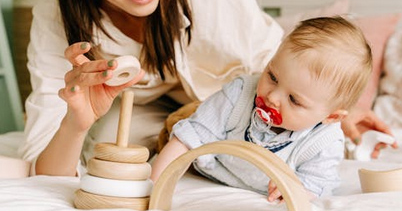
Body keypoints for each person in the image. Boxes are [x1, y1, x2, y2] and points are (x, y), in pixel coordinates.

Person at [19, 0, 394, 177]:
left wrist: (327, 113)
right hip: (144, 117)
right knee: (106, 150)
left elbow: (274, 65)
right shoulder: (58, 10)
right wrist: (77, 121)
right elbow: (44, 169)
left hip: (233, 105)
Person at [151, 16, 373, 201]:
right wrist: (153, 188)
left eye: (294, 100)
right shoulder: (239, 94)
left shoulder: (324, 141)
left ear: (331, 116)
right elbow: (186, 139)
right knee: (180, 125)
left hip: (261, 186)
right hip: (214, 166)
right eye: (273, 76)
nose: (272, 97)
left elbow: (317, 185)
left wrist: (298, 190)